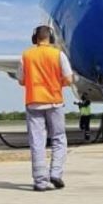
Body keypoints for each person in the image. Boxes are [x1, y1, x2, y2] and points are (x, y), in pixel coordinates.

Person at [18, 25, 74, 192]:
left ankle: (40, 182)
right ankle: (56, 172)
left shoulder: (26, 55)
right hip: (54, 101)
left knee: (37, 142)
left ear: (35, 38)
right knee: (58, 138)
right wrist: (57, 84)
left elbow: (21, 80)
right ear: (51, 38)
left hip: (34, 101)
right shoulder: (58, 54)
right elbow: (69, 79)